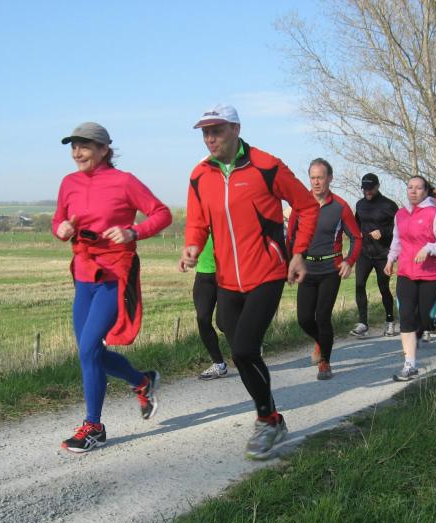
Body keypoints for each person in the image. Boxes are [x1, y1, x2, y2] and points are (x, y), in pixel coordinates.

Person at [179, 104, 319, 460]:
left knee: (243, 350)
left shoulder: (266, 166)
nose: (210, 138)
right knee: (237, 342)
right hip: (226, 278)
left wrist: (298, 252)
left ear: (236, 129)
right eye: (205, 132)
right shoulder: (199, 175)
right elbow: (197, 221)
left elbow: (306, 206)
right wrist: (192, 246)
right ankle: (272, 415)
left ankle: (267, 420)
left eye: (217, 130)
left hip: (267, 272)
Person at [53, 122, 172, 453]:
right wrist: (60, 229)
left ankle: (94, 427)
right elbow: (58, 221)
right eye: (73, 146)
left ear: (104, 149)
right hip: (84, 274)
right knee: (89, 352)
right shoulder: (68, 183)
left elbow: (162, 214)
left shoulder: (125, 182)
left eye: (85, 146)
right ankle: (142, 382)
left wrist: (133, 232)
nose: (77, 152)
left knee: (89, 349)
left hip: (114, 274)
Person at [287, 158, 362, 380]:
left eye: (320, 177)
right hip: (306, 269)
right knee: (304, 319)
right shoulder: (300, 205)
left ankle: (325, 363)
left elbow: (356, 238)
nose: (316, 182)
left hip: (331, 269)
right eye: (313, 178)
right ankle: (321, 340)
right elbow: (290, 237)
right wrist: (290, 263)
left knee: (322, 316)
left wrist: (349, 261)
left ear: (330, 178)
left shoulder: (340, 206)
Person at [385, 176, 436, 381]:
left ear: (426, 191)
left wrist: (429, 248)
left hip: (431, 274)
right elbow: (397, 240)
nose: (413, 191)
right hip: (406, 272)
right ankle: (410, 365)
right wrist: (390, 259)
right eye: (410, 187)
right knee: (406, 317)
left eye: (418, 188)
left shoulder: (435, 214)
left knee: (427, 320)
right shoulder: (400, 214)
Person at [351, 173, 399, 337]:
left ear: (378, 186)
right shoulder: (360, 204)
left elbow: (399, 228)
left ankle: (390, 321)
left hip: (383, 254)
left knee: (383, 287)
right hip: (364, 252)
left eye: (370, 189)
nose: (367, 192)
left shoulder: (389, 205)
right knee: (359, 285)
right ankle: (363, 323)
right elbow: (356, 223)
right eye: (365, 189)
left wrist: (383, 232)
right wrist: (357, 234)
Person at [193, 235, 228, 379]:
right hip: (203, 274)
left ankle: (249, 345)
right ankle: (219, 364)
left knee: (224, 323)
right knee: (202, 319)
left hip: (227, 273)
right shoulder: (197, 222)